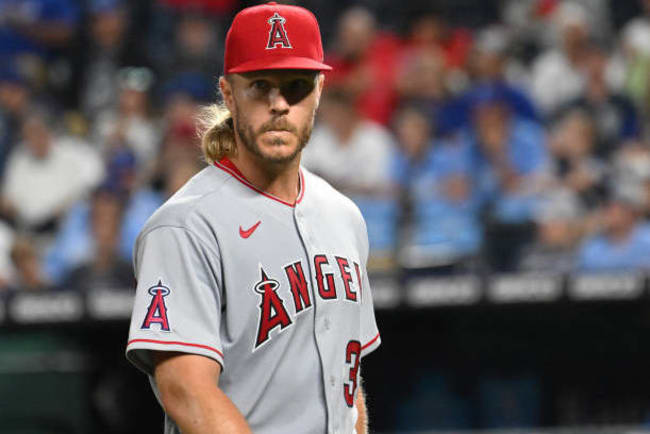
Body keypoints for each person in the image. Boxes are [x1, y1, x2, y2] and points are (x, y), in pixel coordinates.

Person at [125, 3, 381, 434]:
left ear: (318, 90)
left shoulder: (344, 216)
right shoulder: (187, 226)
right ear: (228, 94)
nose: (279, 104)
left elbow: (347, 380)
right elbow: (187, 391)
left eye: (295, 85)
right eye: (260, 85)